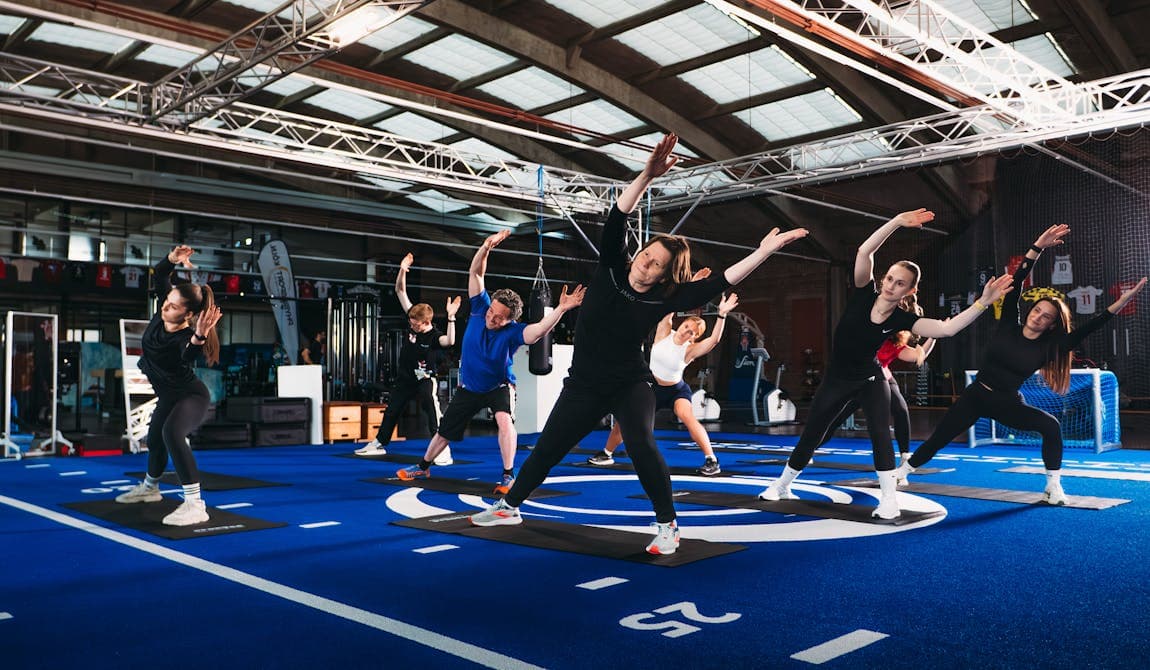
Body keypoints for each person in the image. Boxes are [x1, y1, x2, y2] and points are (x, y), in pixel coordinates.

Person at [470, 134, 809, 555]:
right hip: (584, 384)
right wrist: (647, 174)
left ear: (666, 276)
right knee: (549, 448)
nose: (646, 265)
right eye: (646, 256)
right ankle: (510, 506)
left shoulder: (664, 298)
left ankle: (668, 525)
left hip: (631, 382)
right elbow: (618, 215)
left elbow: (723, 281)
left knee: (640, 443)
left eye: (657, 265)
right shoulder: (611, 267)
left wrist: (764, 251)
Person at [757, 208, 1015, 519]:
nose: (891, 285)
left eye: (900, 283)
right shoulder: (863, 292)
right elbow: (865, 251)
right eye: (890, 278)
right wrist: (895, 223)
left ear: (910, 290)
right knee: (813, 432)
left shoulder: (904, 319)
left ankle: (889, 499)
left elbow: (947, 329)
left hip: (871, 379)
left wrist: (982, 303)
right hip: (837, 378)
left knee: (880, 433)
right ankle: (783, 484)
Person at [897, 225, 1146, 504]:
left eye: (1046, 316)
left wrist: (1120, 302)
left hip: (1007, 403)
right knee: (938, 439)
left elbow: (1092, 326)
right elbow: (1018, 280)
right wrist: (1037, 247)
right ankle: (904, 471)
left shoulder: (1051, 347)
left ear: (1053, 324)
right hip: (976, 395)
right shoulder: (1008, 326)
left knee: (1051, 426)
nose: (1039, 317)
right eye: (1038, 310)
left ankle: (1053, 486)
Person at [396, 230, 585, 492]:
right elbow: (476, 275)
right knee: (444, 431)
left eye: (499, 317)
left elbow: (539, 330)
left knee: (504, 421)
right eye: (492, 312)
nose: (491, 318)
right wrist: (485, 247)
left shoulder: (514, 332)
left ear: (510, 320)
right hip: (470, 387)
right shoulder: (479, 308)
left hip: (499, 386)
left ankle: (508, 475)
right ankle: (423, 467)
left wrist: (562, 309)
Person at [114, 244, 222, 527]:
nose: (164, 306)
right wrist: (172, 259)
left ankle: (196, 504)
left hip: (190, 396)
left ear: (188, 315)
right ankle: (150, 489)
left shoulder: (184, 337)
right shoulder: (165, 310)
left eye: (173, 305)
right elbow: (161, 274)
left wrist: (199, 336)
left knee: (172, 433)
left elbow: (189, 355)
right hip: (168, 396)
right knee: (154, 440)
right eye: (166, 300)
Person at [585, 292, 739, 476]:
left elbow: (714, 340)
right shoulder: (664, 331)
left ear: (694, 337)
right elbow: (669, 305)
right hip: (652, 388)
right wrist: (690, 289)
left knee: (686, 416)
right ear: (681, 324)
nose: (686, 331)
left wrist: (721, 315)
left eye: (692, 332)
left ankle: (711, 460)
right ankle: (607, 454)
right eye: (686, 326)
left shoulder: (689, 350)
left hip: (676, 390)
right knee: (626, 418)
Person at [356, 252, 461, 458]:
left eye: (415, 324)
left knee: (431, 410)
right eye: (411, 322)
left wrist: (451, 318)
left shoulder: (434, 335)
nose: (411, 325)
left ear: (426, 322)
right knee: (392, 409)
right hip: (405, 377)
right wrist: (403, 269)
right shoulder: (414, 317)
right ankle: (379, 442)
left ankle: (441, 449)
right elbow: (400, 290)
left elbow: (450, 342)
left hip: (424, 378)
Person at [819, 329, 936, 468]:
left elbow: (918, 356)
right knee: (835, 419)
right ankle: (810, 448)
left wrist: (934, 335)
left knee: (901, 410)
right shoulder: (871, 335)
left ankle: (905, 456)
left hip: (882, 379)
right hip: (858, 380)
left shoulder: (895, 343)